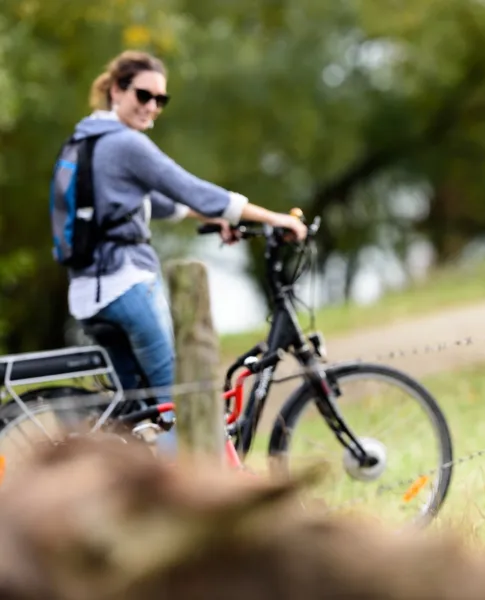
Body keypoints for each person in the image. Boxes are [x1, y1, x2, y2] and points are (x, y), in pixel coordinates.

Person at [57, 50, 307, 455]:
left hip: (89, 295)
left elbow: (160, 200)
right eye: (143, 95)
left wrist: (220, 218)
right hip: (127, 287)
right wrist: (275, 218)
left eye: (161, 100)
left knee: (139, 413)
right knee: (182, 400)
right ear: (117, 90)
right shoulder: (124, 144)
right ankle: (199, 497)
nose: (152, 107)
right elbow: (190, 188)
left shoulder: (85, 141)